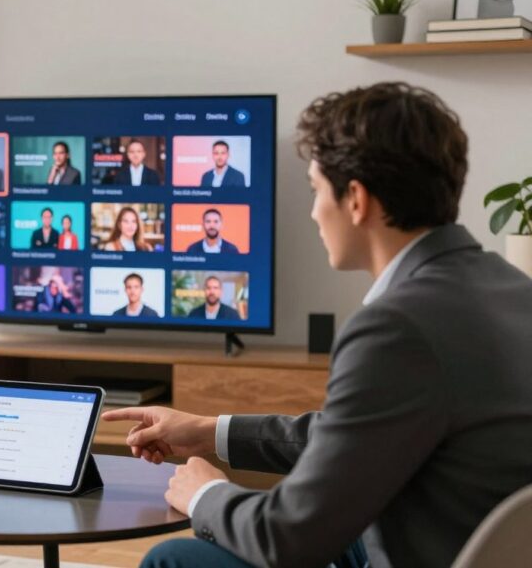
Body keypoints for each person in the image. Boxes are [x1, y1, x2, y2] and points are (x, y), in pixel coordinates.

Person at [104, 83, 532, 568]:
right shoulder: (512, 289)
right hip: (452, 535)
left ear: (356, 199)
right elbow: (356, 436)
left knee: (173, 560)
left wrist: (205, 494)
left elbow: (287, 539)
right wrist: (208, 431)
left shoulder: (396, 328)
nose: (313, 212)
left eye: (316, 191)